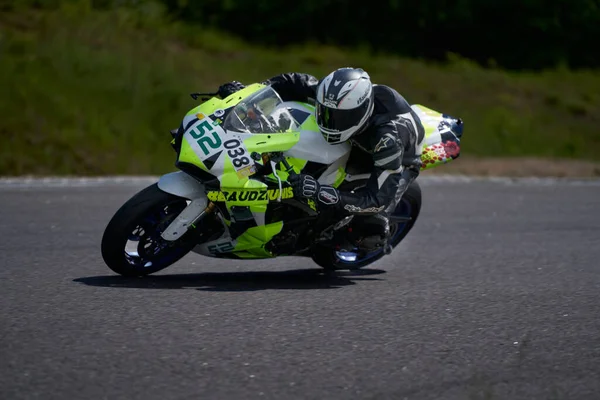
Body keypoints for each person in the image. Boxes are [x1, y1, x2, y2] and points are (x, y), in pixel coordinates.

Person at [217, 68, 425, 253]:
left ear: (361, 113)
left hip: (397, 159)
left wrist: (321, 192)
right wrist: (247, 93)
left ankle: (336, 237)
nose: (329, 121)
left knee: (371, 224)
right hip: (356, 139)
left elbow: (378, 200)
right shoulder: (337, 97)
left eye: (339, 117)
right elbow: (294, 81)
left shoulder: (387, 140)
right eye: (325, 112)